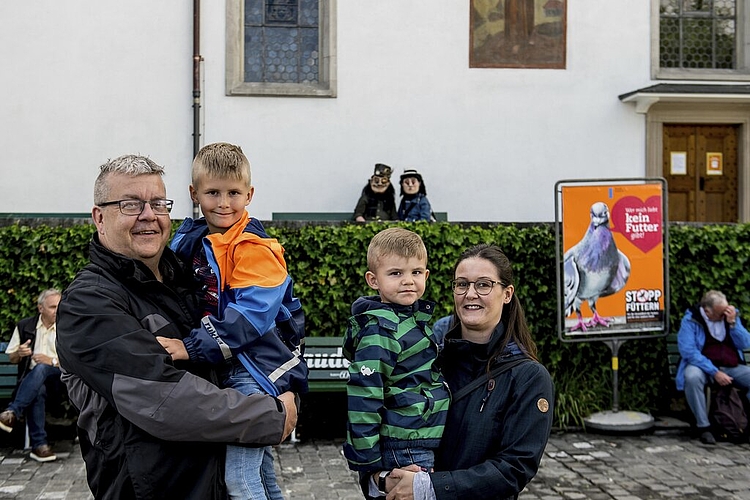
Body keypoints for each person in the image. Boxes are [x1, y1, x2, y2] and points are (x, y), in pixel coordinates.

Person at [55, 154, 297, 500]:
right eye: (130, 204)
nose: (148, 215)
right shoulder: (89, 303)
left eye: (158, 203)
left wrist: (280, 377)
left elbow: (257, 327)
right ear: (99, 217)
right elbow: (164, 401)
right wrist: (273, 415)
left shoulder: (189, 275)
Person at [160, 142, 308, 499]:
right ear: (194, 194)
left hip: (256, 369)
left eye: (233, 193)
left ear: (249, 194)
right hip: (231, 365)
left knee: (240, 480)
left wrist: (190, 347)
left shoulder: (254, 247)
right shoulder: (191, 237)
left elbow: (251, 316)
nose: (223, 203)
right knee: (264, 476)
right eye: (213, 193)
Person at [386, 244, 554, 500]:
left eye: (484, 285)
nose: (470, 294)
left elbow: (514, 468)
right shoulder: (428, 362)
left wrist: (429, 488)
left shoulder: (528, 378)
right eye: (462, 284)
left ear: (507, 293)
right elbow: (383, 424)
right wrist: (381, 479)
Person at [343, 227, 449, 499]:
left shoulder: (411, 321)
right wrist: (369, 465)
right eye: (395, 273)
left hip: (419, 439)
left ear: (426, 275)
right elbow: (364, 396)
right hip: (404, 445)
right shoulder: (380, 330)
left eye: (415, 272)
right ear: (373, 280)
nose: (408, 281)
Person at [675, 290, 750, 445]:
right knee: (692, 377)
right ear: (707, 311)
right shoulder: (691, 320)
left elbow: (745, 343)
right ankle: (703, 427)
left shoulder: (730, 316)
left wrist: (734, 324)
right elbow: (688, 351)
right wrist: (714, 372)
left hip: (730, 365)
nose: (724, 316)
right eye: (720, 314)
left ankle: (745, 426)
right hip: (702, 365)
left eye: (725, 312)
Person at [0, 289, 64, 462]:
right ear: (40, 308)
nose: (57, 311)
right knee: (38, 389)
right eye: (52, 307)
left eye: (59, 306)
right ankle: (40, 446)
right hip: (33, 384)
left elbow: (77, 362)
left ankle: (12, 412)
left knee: (42, 368)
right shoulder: (25, 326)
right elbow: (12, 358)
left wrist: (50, 361)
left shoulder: (68, 328)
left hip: (61, 382)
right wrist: (19, 353)